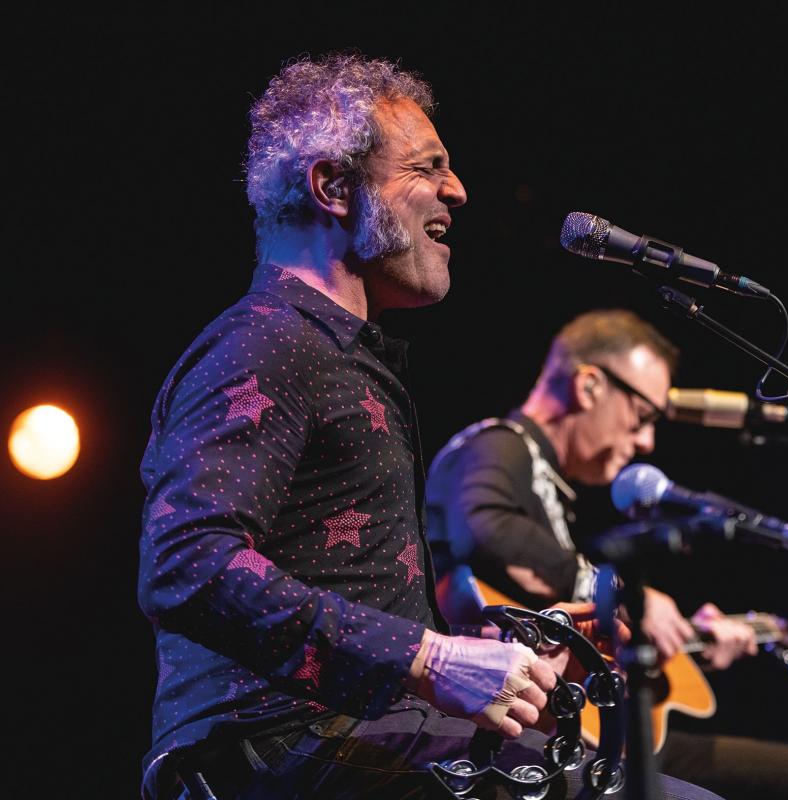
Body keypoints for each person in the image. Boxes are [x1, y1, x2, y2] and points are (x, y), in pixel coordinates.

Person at [137, 53, 720, 800]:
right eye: (427, 167)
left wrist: (504, 649)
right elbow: (185, 565)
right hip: (279, 743)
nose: (458, 190)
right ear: (333, 187)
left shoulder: (336, 355)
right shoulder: (264, 342)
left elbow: (357, 603)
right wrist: (430, 660)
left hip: (349, 733)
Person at [425, 309, 788, 800]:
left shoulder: (549, 488)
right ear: (589, 386)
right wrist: (619, 594)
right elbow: (484, 529)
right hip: (513, 738)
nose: (646, 442)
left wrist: (686, 639)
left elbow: (572, 635)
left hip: (587, 732)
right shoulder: (496, 446)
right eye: (642, 417)